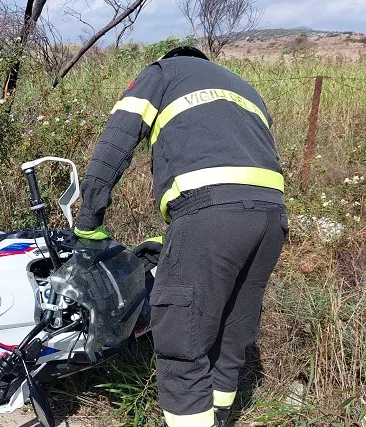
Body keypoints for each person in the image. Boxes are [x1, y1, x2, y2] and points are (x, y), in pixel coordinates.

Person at [73, 46, 288, 427]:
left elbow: (114, 144)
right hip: (272, 214)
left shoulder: (163, 72)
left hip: (209, 209)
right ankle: (219, 416)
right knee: (232, 330)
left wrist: (89, 220)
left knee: (180, 340)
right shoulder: (244, 87)